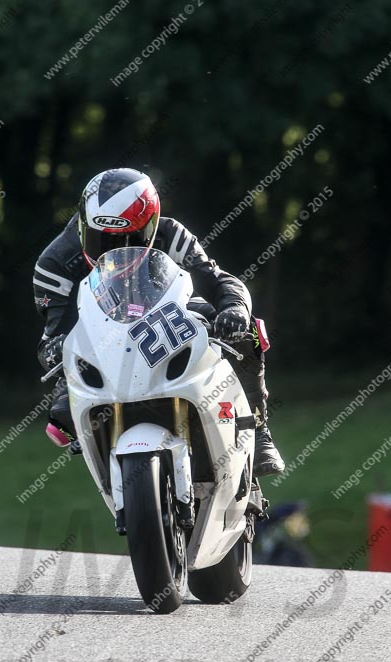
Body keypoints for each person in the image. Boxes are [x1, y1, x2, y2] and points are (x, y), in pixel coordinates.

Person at [33, 168, 284, 477]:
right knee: (61, 410)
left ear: (150, 227)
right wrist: (55, 350)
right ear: (84, 225)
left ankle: (257, 431)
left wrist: (233, 309)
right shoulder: (55, 264)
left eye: (129, 239)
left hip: (169, 326)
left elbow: (219, 281)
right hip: (101, 345)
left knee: (244, 331)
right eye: (101, 240)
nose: (115, 250)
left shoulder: (172, 235)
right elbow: (53, 336)